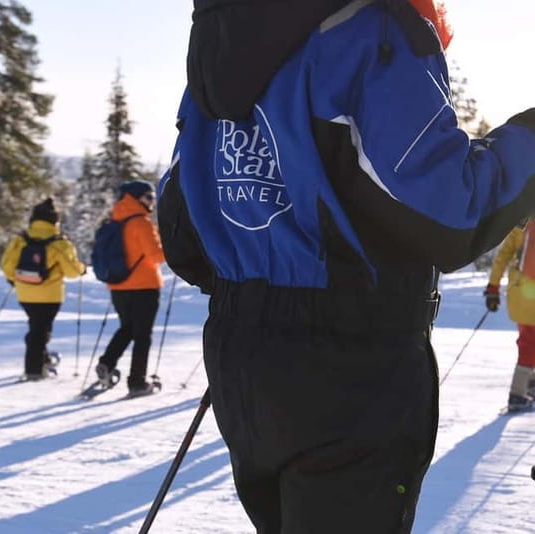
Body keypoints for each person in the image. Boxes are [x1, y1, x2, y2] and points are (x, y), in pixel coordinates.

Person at [158, 1, 535, 532]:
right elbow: (450, 211)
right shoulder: (368, 30)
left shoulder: (220, 40)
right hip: (350, 360)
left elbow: (183, 234)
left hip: (243, 357)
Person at [1, 198, 85, 380]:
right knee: (40, 331)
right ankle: (34, 369)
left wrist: (15, 280)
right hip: (50, 295)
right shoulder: (60, 243)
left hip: (24, 292)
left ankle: (42, 359)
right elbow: (71, 272)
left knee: (36, 327)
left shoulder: (20, 240)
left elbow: (7, 266)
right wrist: (82, 269)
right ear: (55, 220)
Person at [96, 180, 166, 396]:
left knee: (127, 328)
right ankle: (137, 382)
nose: (152, 201)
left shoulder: (114, 221)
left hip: (118, 285)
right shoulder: (141, 223)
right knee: (142, 335)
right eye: (148, 197)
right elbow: (155, 255)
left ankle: (107, 362)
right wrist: (173, 249)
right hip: (144, 286)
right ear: (135, 198)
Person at [484, 220, 535, 412]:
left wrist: (493, 288)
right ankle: (517, 394)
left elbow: (502, 256)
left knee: (528, 341)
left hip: (519, 292)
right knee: (530, 345)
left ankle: (530, 385)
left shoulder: (522, 223)